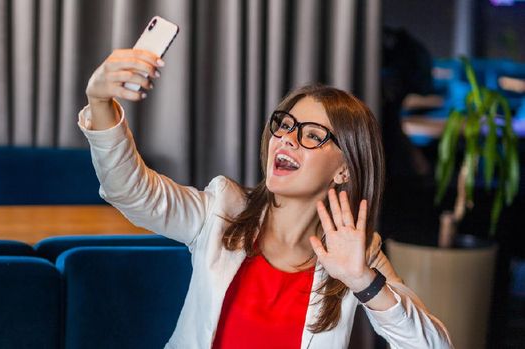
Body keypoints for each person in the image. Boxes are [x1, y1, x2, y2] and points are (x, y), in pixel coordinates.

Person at [78, 48, 453, 349]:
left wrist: (363, 281)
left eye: (311, 135)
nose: (287, 138)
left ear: (345, 170)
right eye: (285, 125)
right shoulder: (221, 208)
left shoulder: (359, 255)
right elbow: (131, 191)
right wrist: (99, 101)